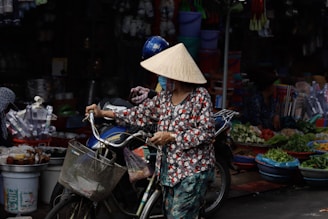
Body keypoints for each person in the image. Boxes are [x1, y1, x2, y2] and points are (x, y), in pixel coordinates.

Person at [86, 43, 216, 218]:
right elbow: (137, 114)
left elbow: (206, 132)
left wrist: (171, 136)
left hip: (192, 172)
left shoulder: (200, 97)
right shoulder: (164, 98)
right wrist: (102, 112)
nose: (161, 78)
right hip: (168, 171)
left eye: (165, 74)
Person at [130, 35, 169, 104]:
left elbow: (172, 100)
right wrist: (147, 92)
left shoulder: (174, 76)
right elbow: (161, 93)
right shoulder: (162, 76)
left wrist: (151, 95)